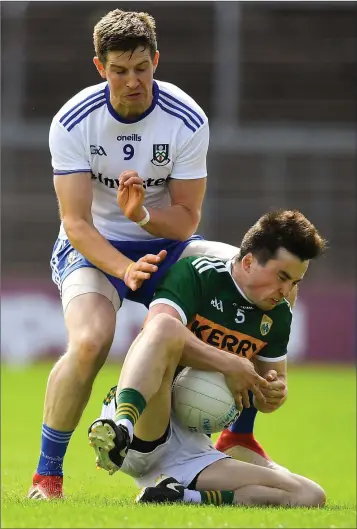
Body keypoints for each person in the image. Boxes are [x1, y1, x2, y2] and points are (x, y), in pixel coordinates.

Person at [28, 8, 240, 500]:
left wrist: (143, 216)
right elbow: (76, 222)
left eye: (142, 68)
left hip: (166, 243)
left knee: (225, 322)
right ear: (100, 67)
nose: (133, 81)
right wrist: (123, 266)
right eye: (120, 70)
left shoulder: (186, 119)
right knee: (89, 341)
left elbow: (186, 217)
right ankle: (47, 475)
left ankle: (234, 441)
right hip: (95, 246)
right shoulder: (74, 121)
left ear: (156, 61)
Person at [88, 209, 327, 507]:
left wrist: (273, 394)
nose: (286, 291)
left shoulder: (278, 316)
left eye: (295, 282)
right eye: (282, 277)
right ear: (249, 261)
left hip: (193, 451)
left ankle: (179, 496)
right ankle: (120, 430)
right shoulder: (197, 273)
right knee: (164, 326)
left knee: (309, 495)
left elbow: (269, 391)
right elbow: (157, 334)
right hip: (149, 422)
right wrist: (229, 363)